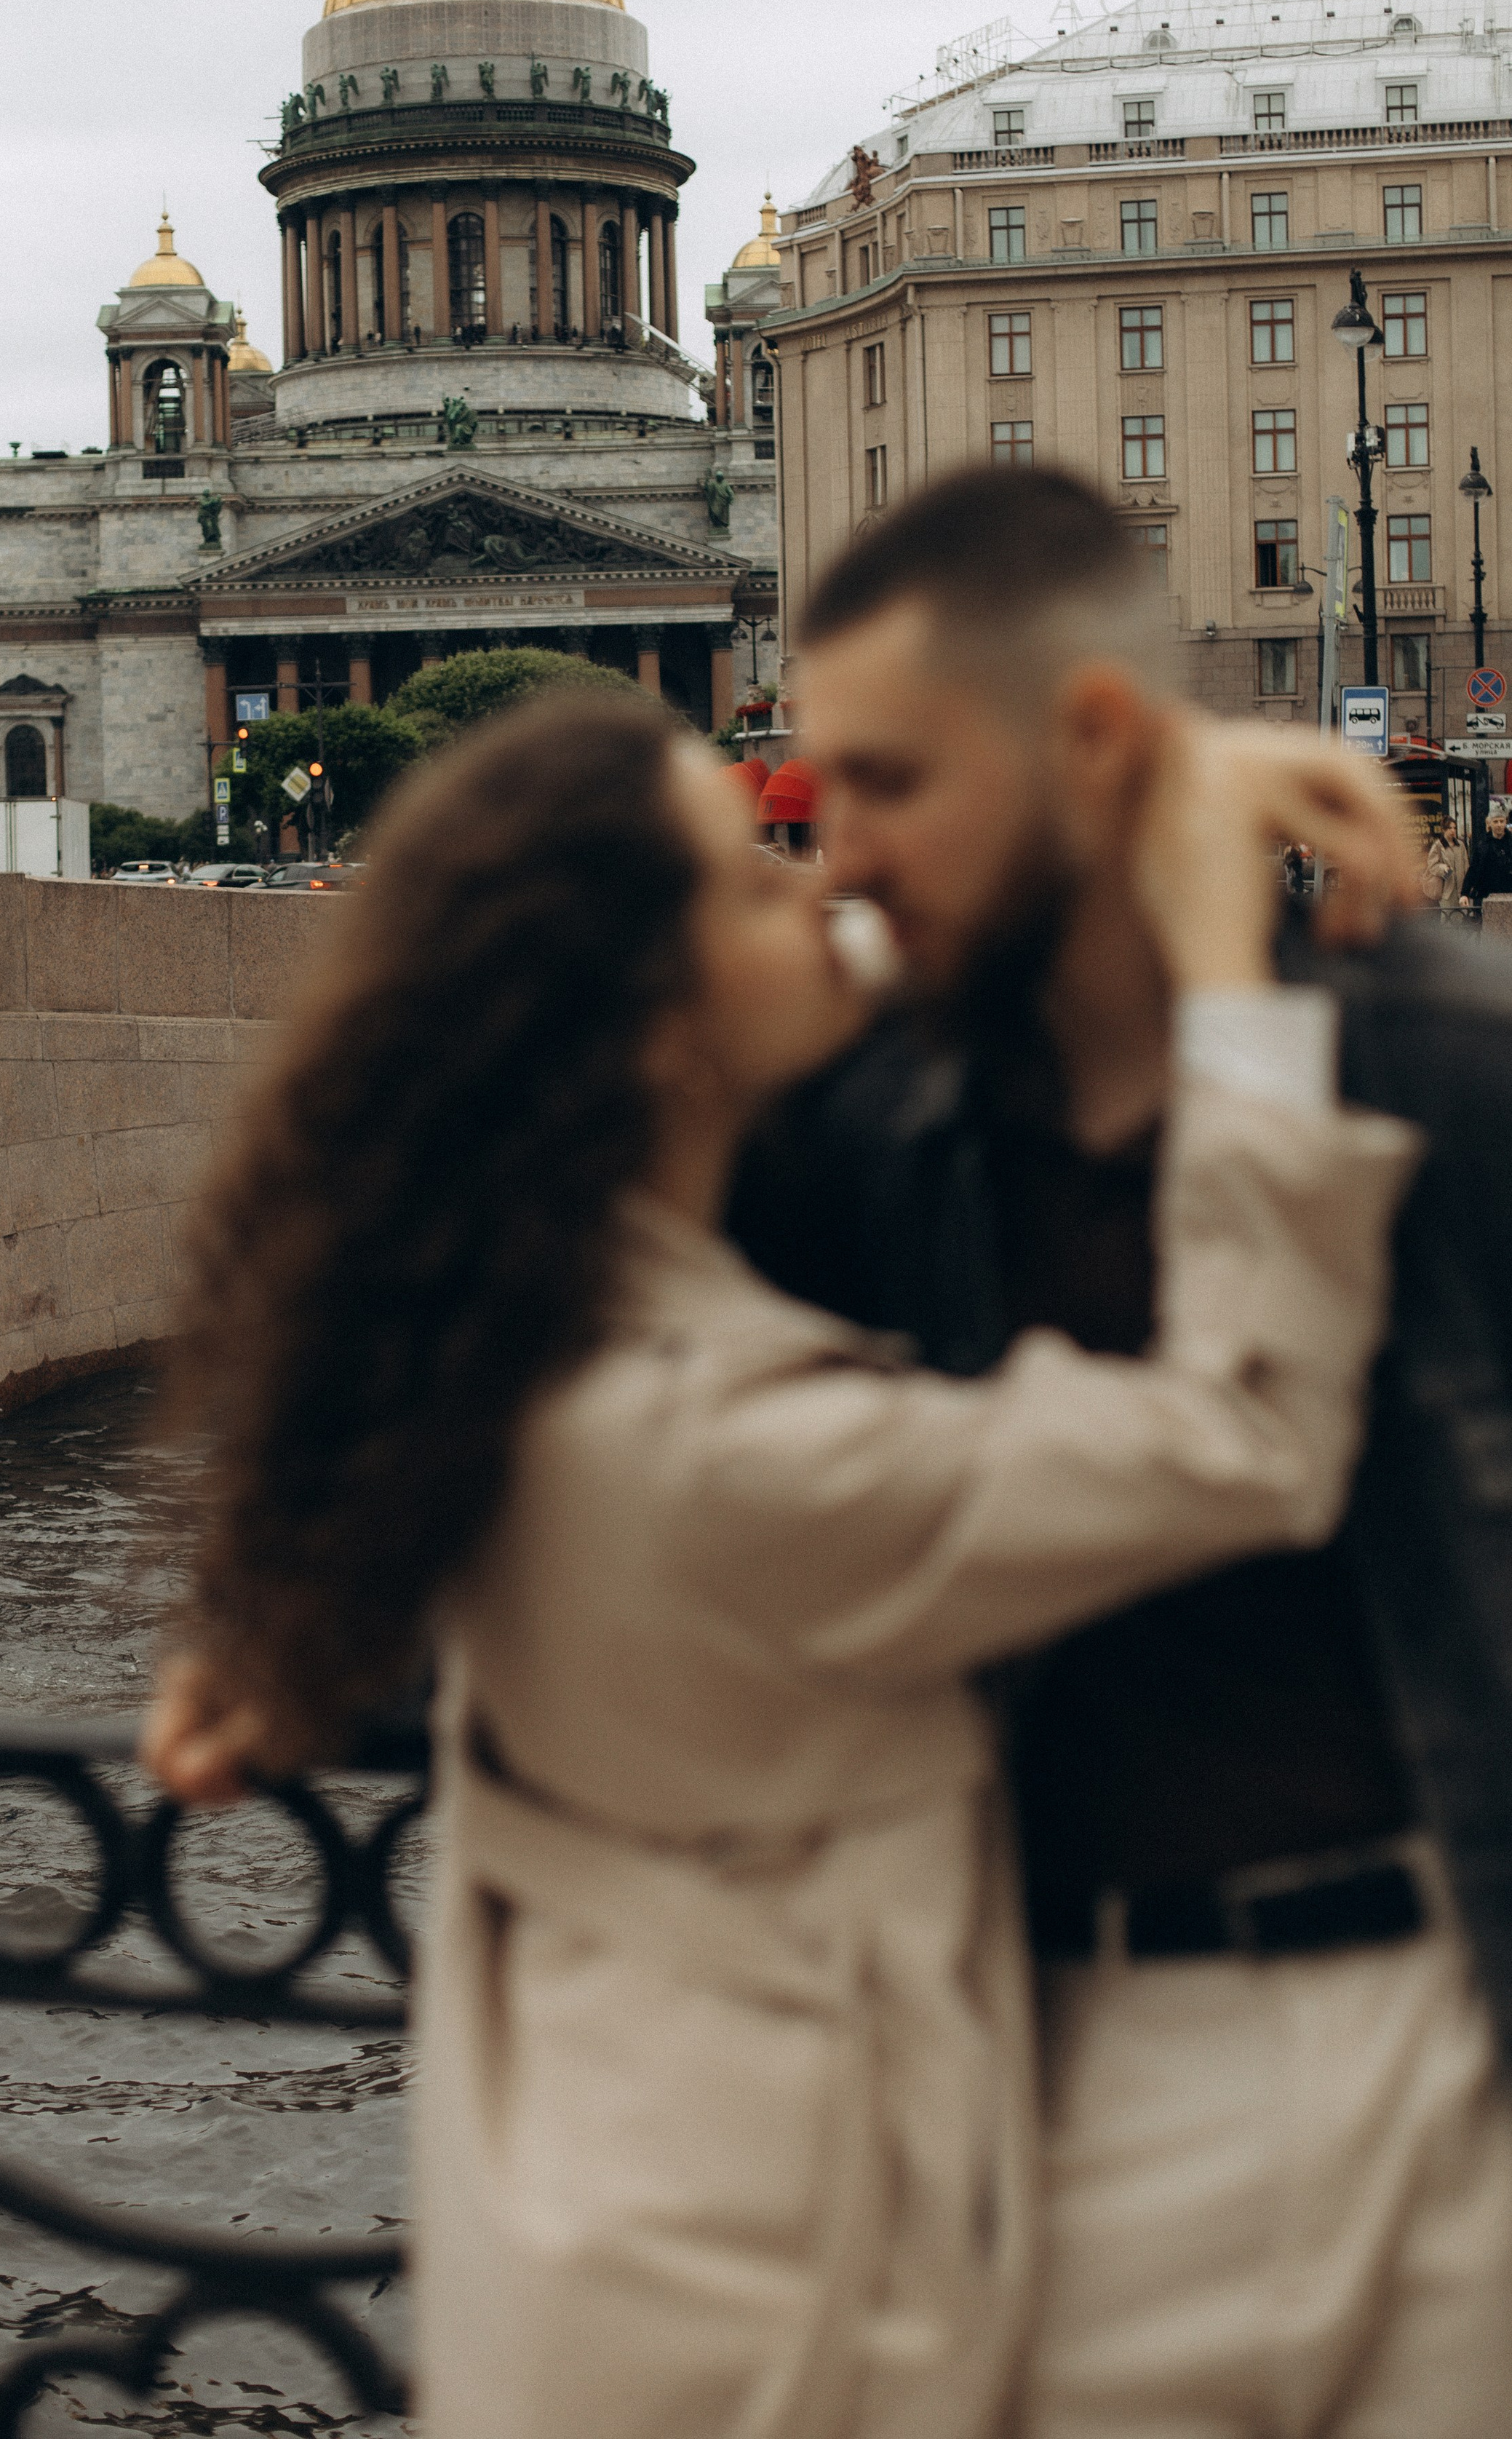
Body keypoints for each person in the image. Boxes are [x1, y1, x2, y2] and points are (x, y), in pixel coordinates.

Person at [144, 690, 1417, 2439]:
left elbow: (828, 990)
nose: (815, 884)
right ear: (661, 1032)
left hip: (592, 2208)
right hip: (784, 2302)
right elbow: (1250, 1431)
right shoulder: (718, 1448)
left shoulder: (464, 1329)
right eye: (753, 876)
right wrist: (1223, 973)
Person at [734, 466, 1512, 2436]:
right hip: (1053, 2088)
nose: (844, 853)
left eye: (893, 783)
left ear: (1089, 740)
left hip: (1449, 2059)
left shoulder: (1446, 1065)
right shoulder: (859, 1130)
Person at [1462, 798, 1512, 913]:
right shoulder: (1483, 845)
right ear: (1490, 823)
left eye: (1501, 821)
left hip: (1509, 893)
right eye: (1496, 822)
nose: (1499, 825)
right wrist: (1464, 893)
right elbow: (1473, 870)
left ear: (1505, 822)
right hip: (1487, 894)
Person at [1426, 815, 1468, 920]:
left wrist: (1468, 884)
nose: (1453, 831)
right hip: (1447, 890)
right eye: (1450, 828)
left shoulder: (1461, 845)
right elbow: (1432, 865)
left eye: (1454, 828)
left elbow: (1466, 865)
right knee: (1448, 920)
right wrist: (1442, 868)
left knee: (1462, 919)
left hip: (1461, 889)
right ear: (1444, 829)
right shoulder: (1438, 846)